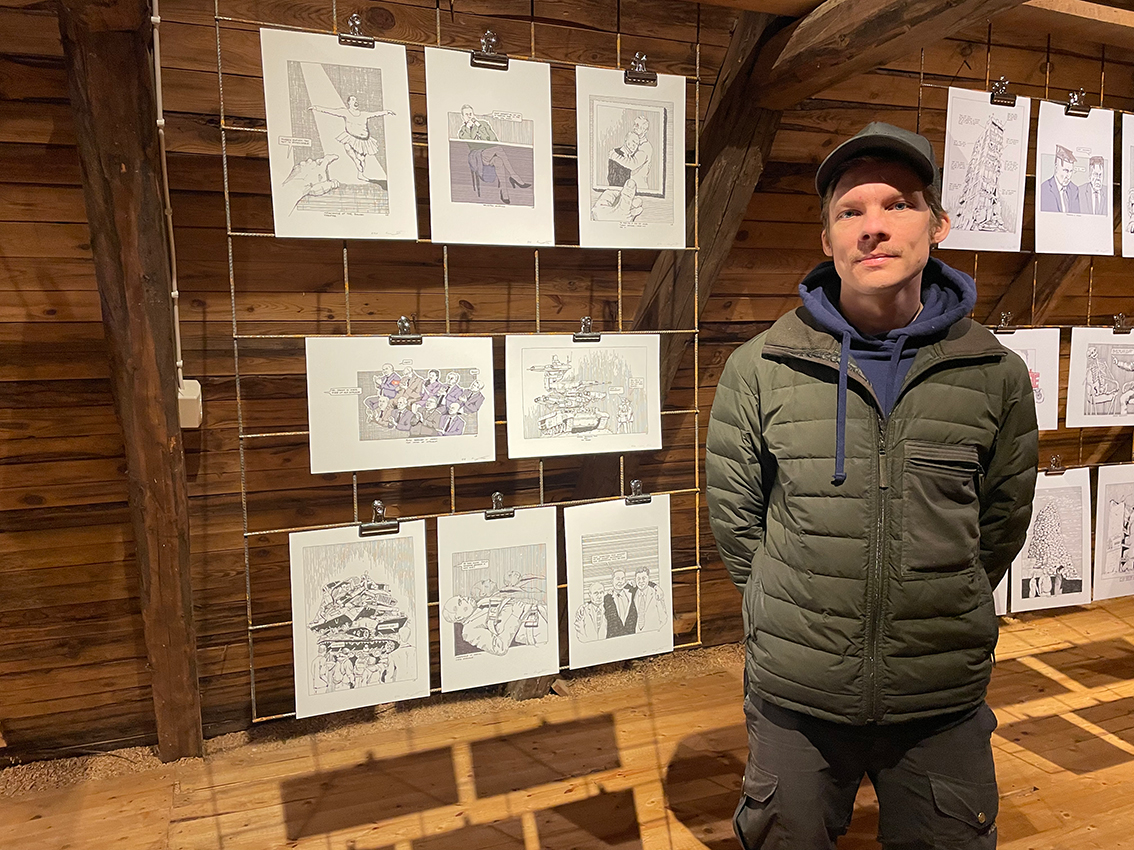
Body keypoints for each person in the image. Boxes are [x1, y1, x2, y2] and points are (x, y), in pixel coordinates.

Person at [706, 122, 1038, 850]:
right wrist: (784, 608)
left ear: (937, 224)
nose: (873, 227)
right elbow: (736, 518)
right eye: (850, 211)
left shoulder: (996, 374)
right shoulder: (762, 367)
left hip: (938, 692)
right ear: (827, 238)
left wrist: (942, 600)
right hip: (798, 693)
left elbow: (1002, 518)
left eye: (898, 204)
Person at [310, 95, 395, 181]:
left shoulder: (364, 114)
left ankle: (360, 174)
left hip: (364, 140)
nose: (355, 101)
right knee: (348, 147)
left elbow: (375, 114)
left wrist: (387, 112)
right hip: (351, 137)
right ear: (349, 102)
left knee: (362, 159)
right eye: (353, 99)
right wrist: (316, 108)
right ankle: (355, 160)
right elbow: (332, 111)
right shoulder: (345, 112)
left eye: (356, 99)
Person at [457, 104, 530, 204]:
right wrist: (471, 128)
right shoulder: (463, 131)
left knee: (498, 161)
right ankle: (514, 176)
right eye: (466, 114)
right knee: (498, 149)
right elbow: (472, 143)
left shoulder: (483, 124)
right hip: (477, 156)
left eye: (471, 113)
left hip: (490, 153)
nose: (469, 116)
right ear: (462, 116)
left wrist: (479, 127)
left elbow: (493, 140)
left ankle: (504, 192)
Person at [607, 116, 652, 187]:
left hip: (639, 187)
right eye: (634, 124)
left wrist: (614, 156)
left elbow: (632, 164)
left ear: (644, 130)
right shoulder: (634, 144)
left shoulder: (645, 147)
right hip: (629, 186)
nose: (634, 127)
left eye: (637, 125)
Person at [1039, 144, 1080, 213]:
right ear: (1056, 168)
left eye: (1071, 171)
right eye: (1066, 171)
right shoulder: (1044, 189)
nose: (1068, 176)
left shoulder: (1074, 189)